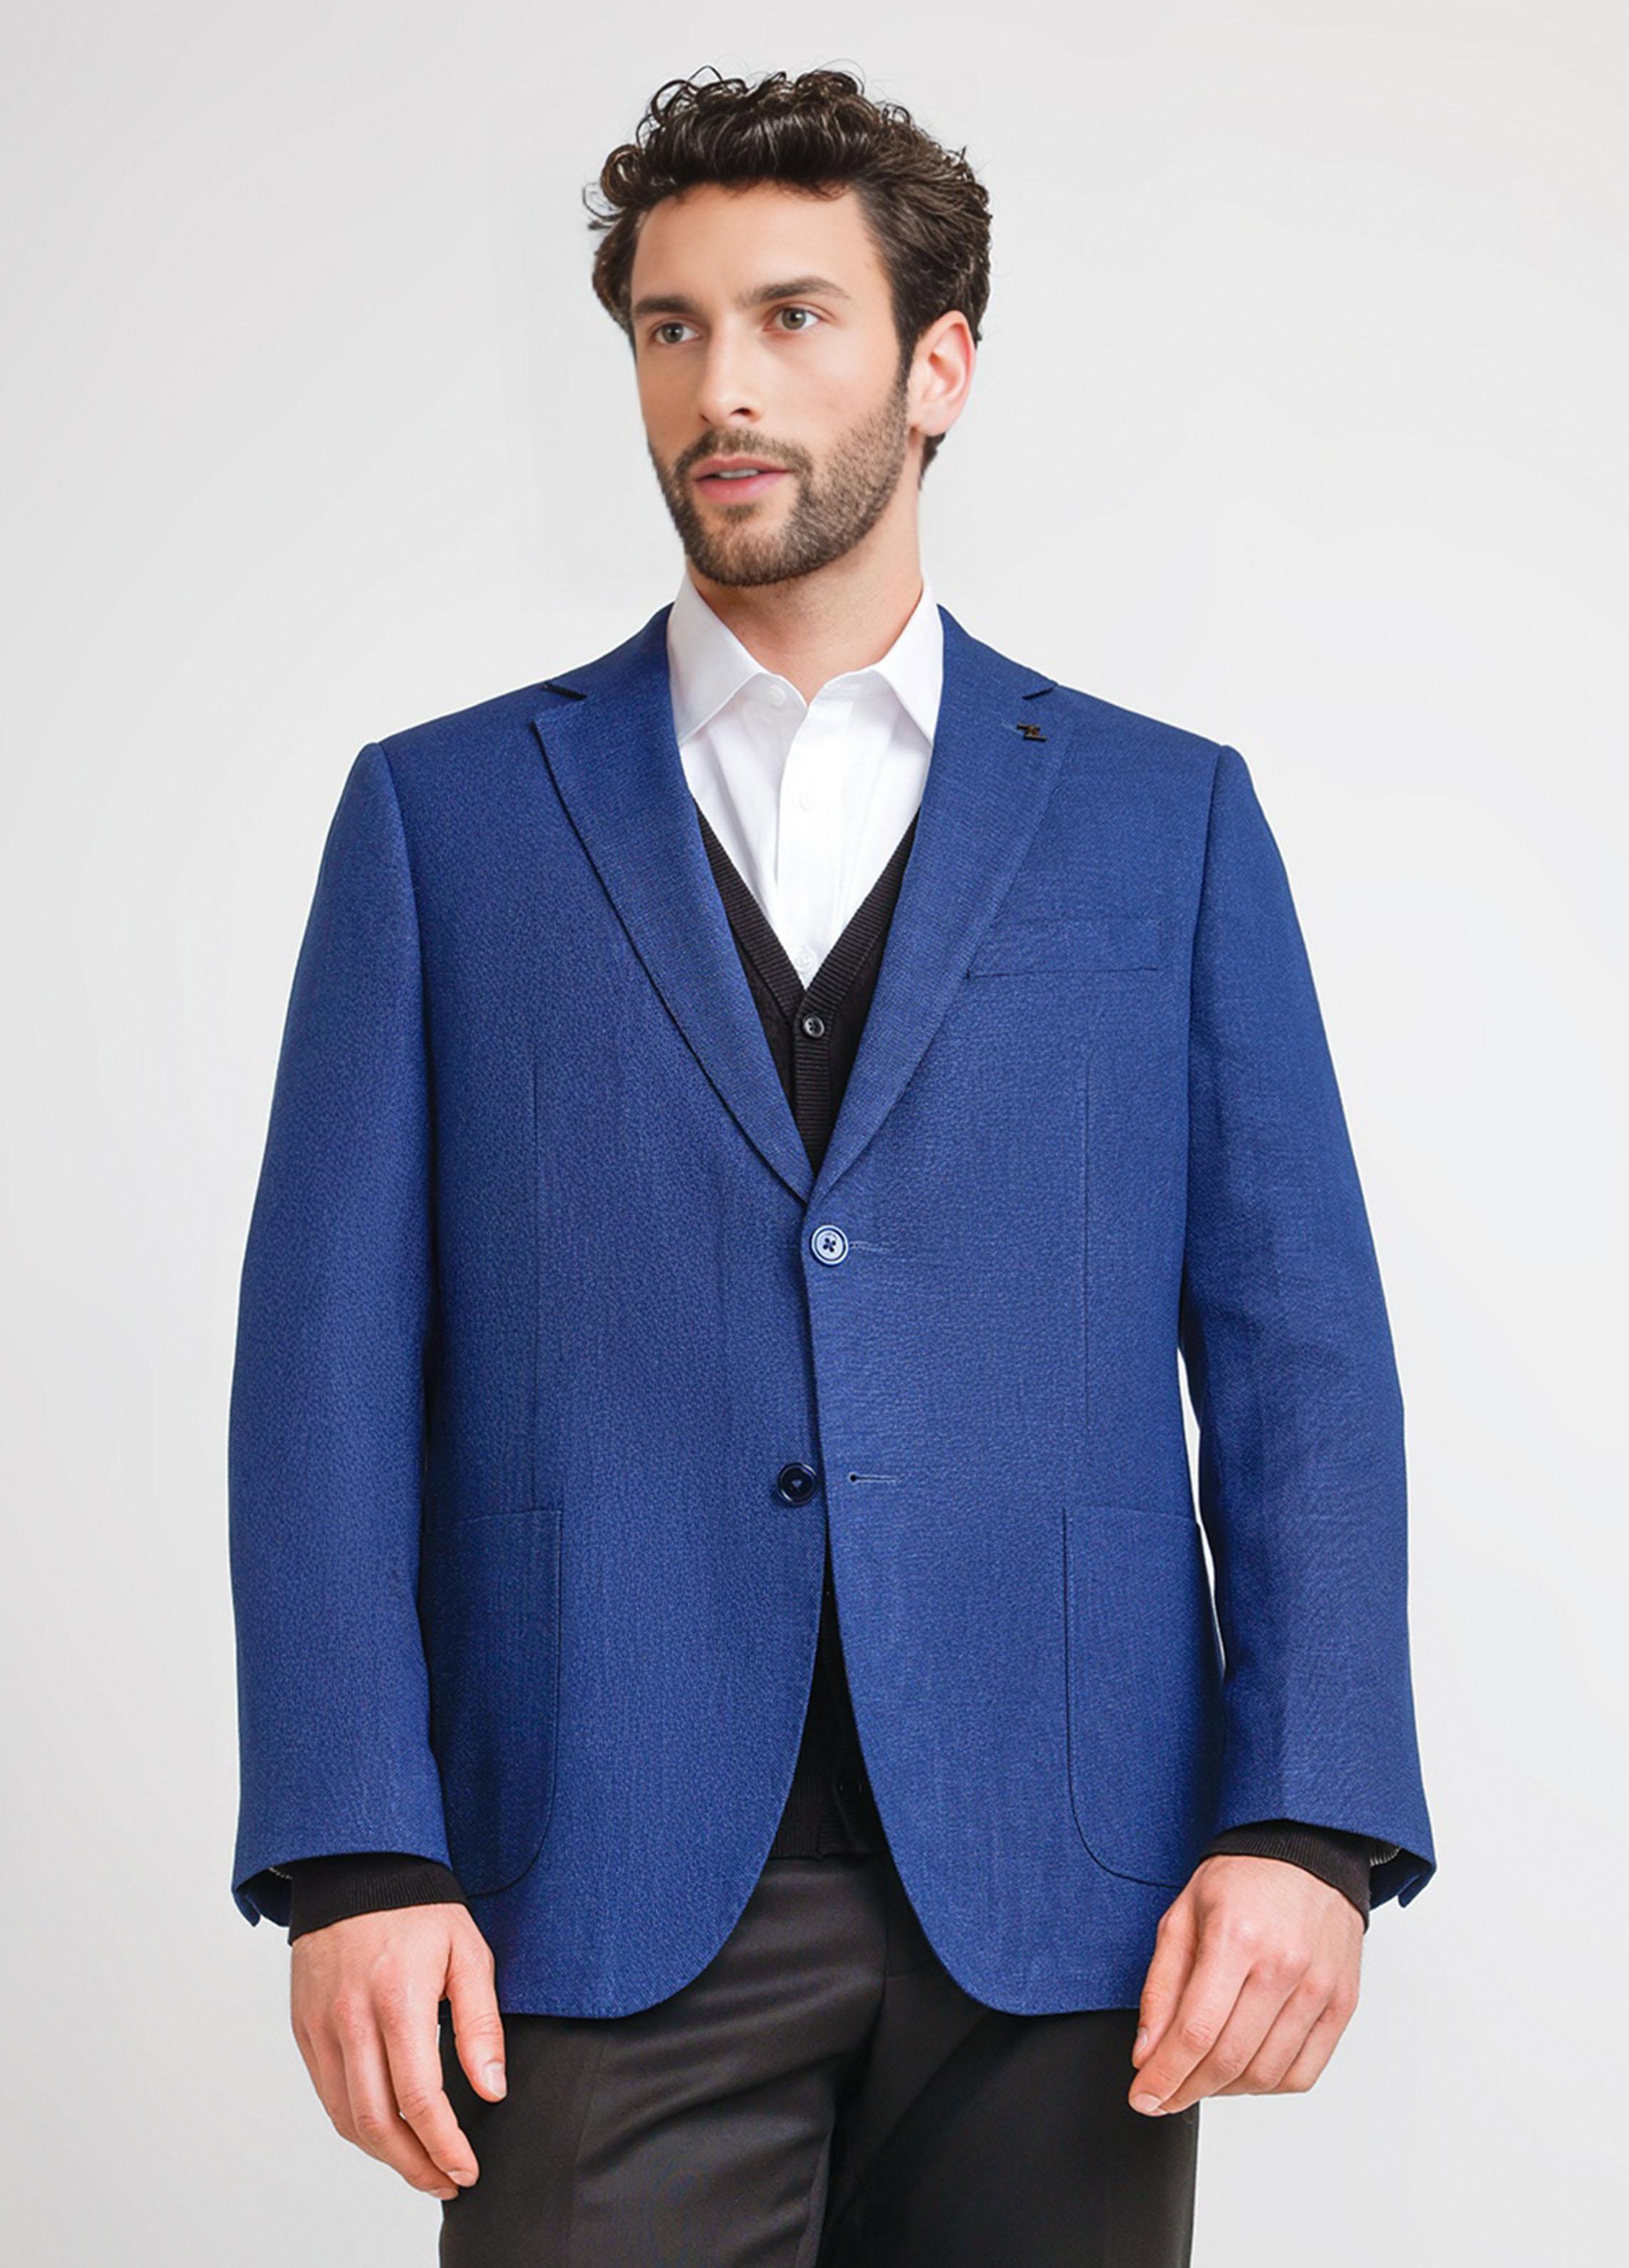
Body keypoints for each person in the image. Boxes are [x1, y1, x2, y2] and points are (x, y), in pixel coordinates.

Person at [228, 65, 1436, 2267]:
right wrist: (350, 1855)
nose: (722, 387)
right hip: (586, 1884)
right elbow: (320, 1380)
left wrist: (1311, 1822)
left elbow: (1300, 1362)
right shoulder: (445, 822)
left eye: (792, 318)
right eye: (671, 329)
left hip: (1063, 1899)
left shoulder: (1160, 821)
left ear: (936, 365)